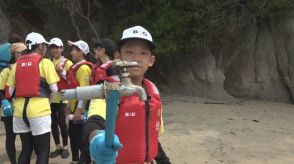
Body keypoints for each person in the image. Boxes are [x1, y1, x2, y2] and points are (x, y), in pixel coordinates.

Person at [83, 25, 170, 163]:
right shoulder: (108, 88)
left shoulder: (152, 91)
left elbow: (152, 136)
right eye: (129, 52)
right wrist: (96, 138)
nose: (136, 58)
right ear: (118, 56)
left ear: (151, 60)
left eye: (143, 53)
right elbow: (94, 122)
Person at [6, 32, 60, 164]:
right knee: (43, 150)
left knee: (26, 148)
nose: (46, 48)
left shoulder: (17, 64)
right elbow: (54, 89)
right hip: (39, 112)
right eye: (44, 45)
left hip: (19, 112)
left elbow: (9, 91)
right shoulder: (45, 62)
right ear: (40, 46)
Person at [0, 42, 27, 164]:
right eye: (20, 52)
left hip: (24, 109)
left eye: (24, 52)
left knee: (26, 139)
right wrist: (4, 102)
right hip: (9, 109)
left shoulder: (28, 68)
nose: (23, 54)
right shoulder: (6, 71)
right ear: (14, 54)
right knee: (10, 138)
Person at [67, 40, 92, 164]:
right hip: (74, 108)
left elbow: (84, 92)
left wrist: (78, 109)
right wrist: (69, 105)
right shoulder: (76, 68)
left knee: (80, 139)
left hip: (79, 110)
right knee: (72, 135)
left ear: (81, 52)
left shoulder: (83, 69)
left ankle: (85, 161)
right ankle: (75, 160)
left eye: (74, 50)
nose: (71, 52)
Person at [48, 37, 72, 159]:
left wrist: (61, 70)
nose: (54, 50)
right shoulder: (47, 62)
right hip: (50, 98)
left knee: (62, 122)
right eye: (52, 47)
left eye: (57, 47)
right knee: (52, 123)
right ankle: (58, 147)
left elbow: (71, 80)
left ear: (62, 48)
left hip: (63, 96)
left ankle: (66, 147)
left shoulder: (67, 63)